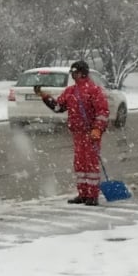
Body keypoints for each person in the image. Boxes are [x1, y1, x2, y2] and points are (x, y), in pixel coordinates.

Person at [35, 60, 110, 206]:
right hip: (77, 134)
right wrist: (44, 96)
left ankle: (92, 195)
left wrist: (97, 129)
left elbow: (103, 112)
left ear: (82, 73)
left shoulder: (94, 90)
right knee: (80, 165)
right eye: (72, 73)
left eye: (75, 73)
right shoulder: (71, 91)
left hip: (91, 133)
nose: (73, 76)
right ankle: (83, 194)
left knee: (91, 165)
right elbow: (58, 107)